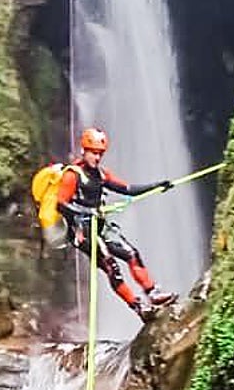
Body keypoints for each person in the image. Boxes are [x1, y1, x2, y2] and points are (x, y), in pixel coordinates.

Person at [56, 127, 177, 321]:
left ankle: (153, 293)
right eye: (93, 153)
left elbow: (127, 189)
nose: (96, 158)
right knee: (111, 266)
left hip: (100, 226)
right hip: (82, 231)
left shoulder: (102, 175)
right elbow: (60, 204)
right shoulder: (72, 175)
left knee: (131, 253)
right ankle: (138, 307)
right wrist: (86, 212)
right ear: (84, 151)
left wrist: (156, 186)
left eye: (100, 154)